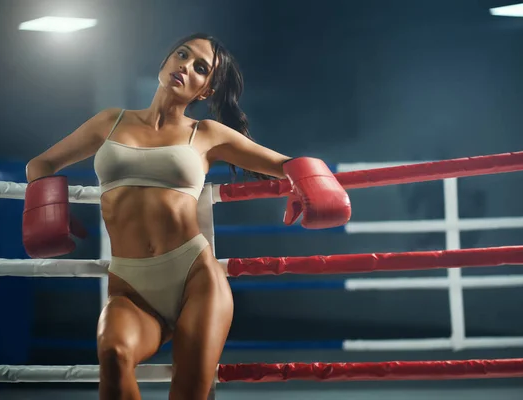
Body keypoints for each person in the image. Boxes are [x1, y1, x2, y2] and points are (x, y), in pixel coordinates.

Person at [22, 33, 351, 400]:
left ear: (205, 91)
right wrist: (51, 208)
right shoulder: (110, 122)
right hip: (130, 285)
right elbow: (42, 163)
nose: (185, 67)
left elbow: (287, 164)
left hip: (195, 278)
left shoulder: (206, 133)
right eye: (182, 55)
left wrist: (307, 186)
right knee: (114, 356)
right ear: (165, 61)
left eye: (200, 69)